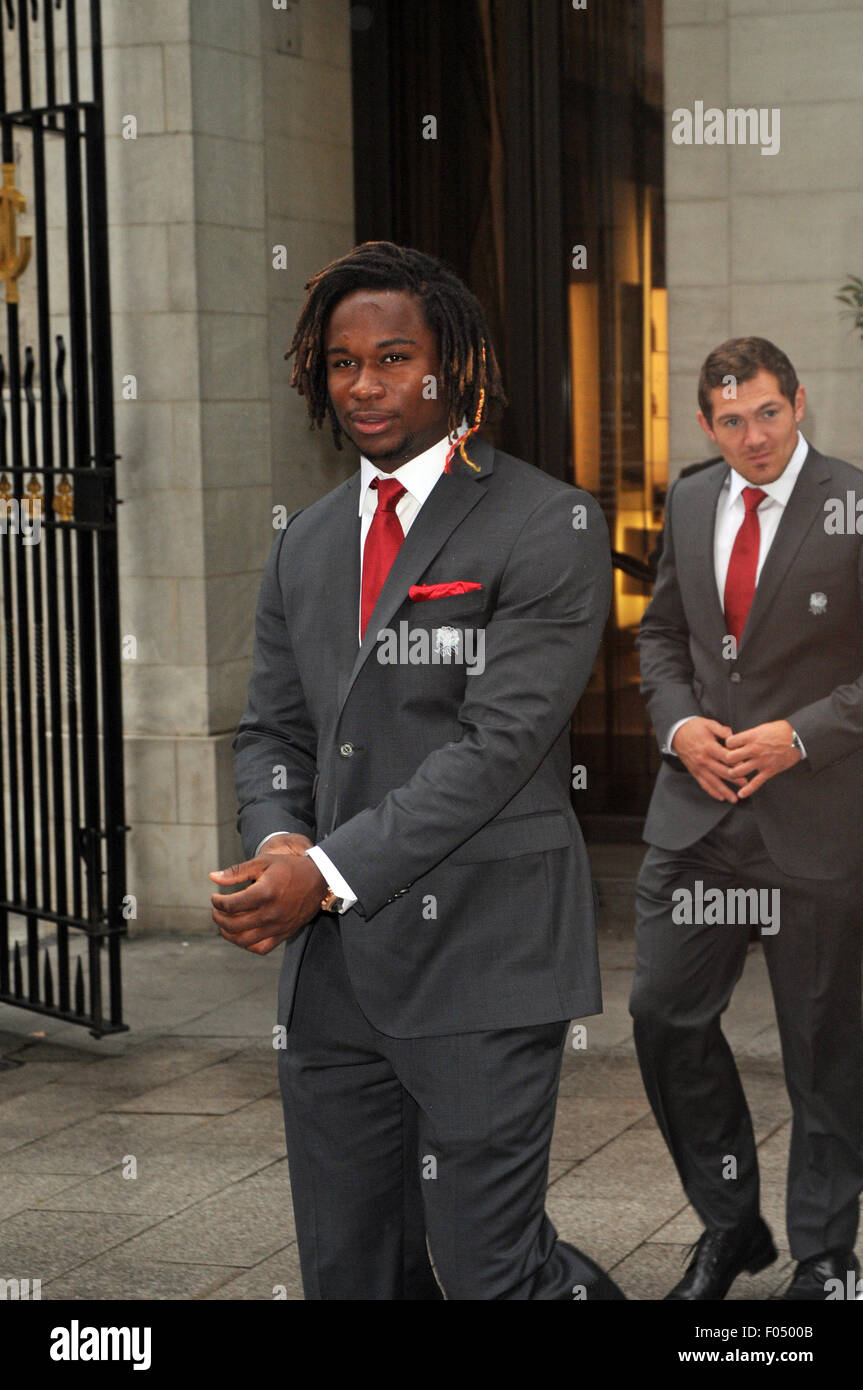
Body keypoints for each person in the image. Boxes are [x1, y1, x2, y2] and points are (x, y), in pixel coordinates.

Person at [209, 241, 622, 1301]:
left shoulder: (548, 521)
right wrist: (277, 840)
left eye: (395, 357)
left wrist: (328, 871)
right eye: (343, 363)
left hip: (483, 954)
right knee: (351, 1269)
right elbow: (271, 730)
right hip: (333, 979)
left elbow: (493, 750)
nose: (366, 384)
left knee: (488, 1267)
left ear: (454, 368)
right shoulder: (302, 544)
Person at [630, 336, 863, 1301]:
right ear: (704, 423)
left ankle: (822, 1252)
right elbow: (659, 637)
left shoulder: (852, 505)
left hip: (813, 820)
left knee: (821, 1044)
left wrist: (795, 738)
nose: (753, 435)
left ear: (798, 403)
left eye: (767, 412)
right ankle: (731, 1226)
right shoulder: (688, 500)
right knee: (662, 1016)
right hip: (697, 822)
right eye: (731, 420)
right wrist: (679, 724)